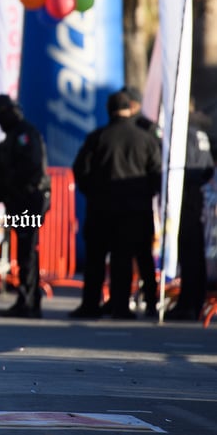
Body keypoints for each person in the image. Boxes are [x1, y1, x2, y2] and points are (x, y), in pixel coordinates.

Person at [70, 90, 162, 320]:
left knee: (96, 259)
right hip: (135, 210)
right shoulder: (145, 139)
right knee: (126, 259)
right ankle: (122, 306)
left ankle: (90, 304)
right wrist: (144, 195)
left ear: (109, 110)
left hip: (101, 208)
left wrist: (93, 192)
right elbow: (157, 174)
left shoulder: (98, 137)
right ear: (130, 109)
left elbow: (81, 170)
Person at [0, 95, 51, 319]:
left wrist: (13, 189)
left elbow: (30, 171)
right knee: (24, 252)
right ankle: (27, 299)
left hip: (28, 200)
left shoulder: (24, 135)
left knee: (28, 252)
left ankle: (30, 301)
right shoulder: (11, 139)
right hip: (19, 200)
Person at [166, 108, 214, 320]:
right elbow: (208, 168)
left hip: (185, 196)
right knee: (195, 252)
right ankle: (194, 300)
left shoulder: (183, 134)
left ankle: (188, 303)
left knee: (189, 252)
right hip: (196, 195)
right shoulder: (200, 132)